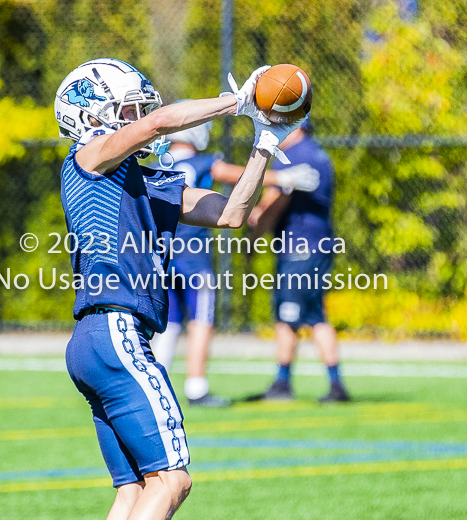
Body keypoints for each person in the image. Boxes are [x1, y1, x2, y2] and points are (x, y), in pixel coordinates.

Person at [54, 58, 304, 520]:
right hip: (116, 330)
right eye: (127, 110)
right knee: (173, 480)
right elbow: (162, 120)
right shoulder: (86, 159)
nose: (138, 118)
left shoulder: (143, 182)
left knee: (134, 492)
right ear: (90, 115)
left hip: (98, 339)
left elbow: (232, 213)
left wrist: (265, 142)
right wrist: (239, 100)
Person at [152, 119, 319, 407]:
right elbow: (236, 175)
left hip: (161, 255)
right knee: (201, 320)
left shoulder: (154, 169)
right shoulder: (203, 161)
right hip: (193, 257)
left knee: (169, 322)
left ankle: (153, 384)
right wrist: (282, 178)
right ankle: (196, 388)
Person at [249, 119, 350, 403]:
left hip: (300, 248)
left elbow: (273, 202)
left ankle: (292, 384)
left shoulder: (294, 155)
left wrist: (254, 228)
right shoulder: (316, 152)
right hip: (316, 244)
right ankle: (326, 383)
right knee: (309, 313)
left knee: (293, 314)